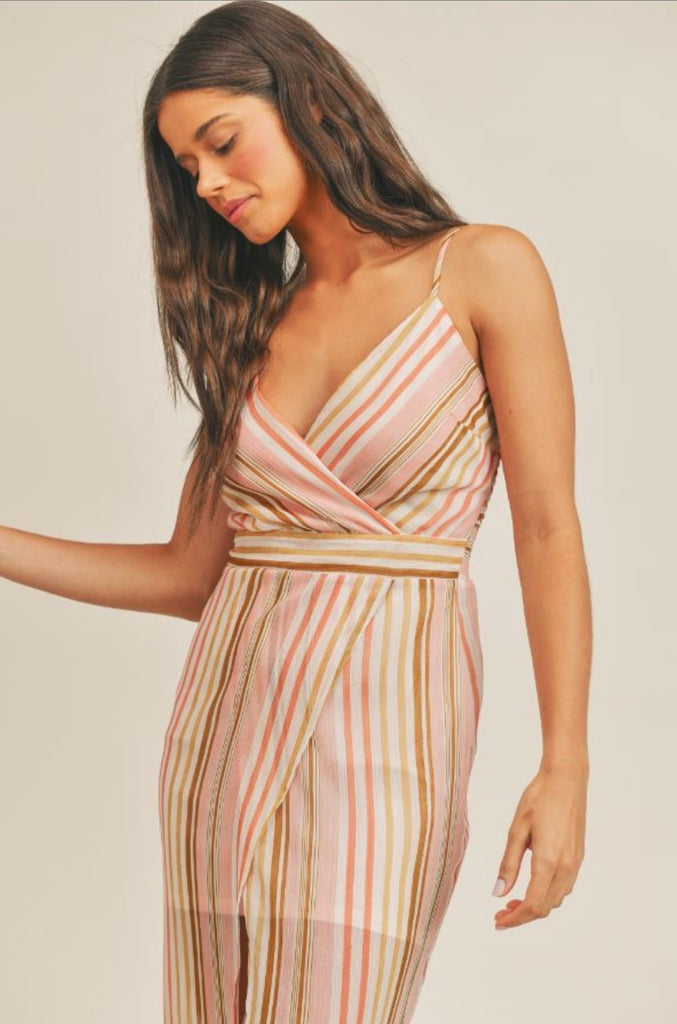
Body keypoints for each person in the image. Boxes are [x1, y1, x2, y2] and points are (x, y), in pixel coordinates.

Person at [0, 2, 592, 1021]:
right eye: (187, 166)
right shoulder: (251, 324)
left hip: (389, 740)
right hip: (221, 740)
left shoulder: (481, 268)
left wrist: (563, 763)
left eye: (221, 142)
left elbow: (545, 526)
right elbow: (190, 575)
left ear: (310, 102)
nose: (206, 183)